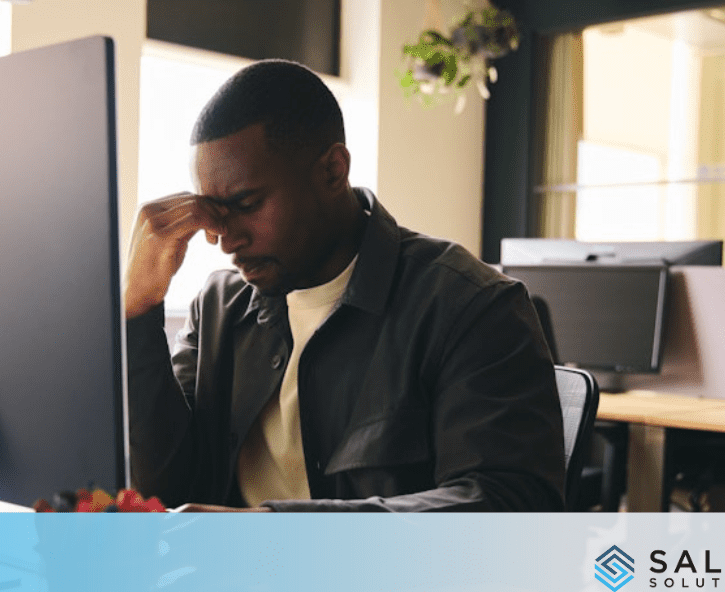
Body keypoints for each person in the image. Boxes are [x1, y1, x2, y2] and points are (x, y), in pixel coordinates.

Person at [124, 59, 565, 512]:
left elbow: (510, 508)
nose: (226, 240)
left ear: (333, 170)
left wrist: (263, 535)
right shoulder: (219, 309)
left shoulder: (471, 307)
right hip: (221, 579)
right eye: (214, 215)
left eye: (247, 204)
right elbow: (167, 490)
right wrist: (137, 310)